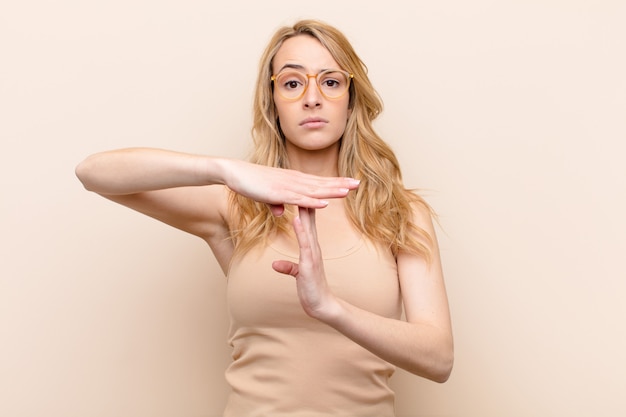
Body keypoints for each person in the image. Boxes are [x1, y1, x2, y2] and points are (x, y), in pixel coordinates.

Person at [76, 19, 453, 416]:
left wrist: (329, 306)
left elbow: (438, 358)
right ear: (272, 100)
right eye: (292, 83)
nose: (312, 98)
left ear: (351, 98)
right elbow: (94, 173)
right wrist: (223, 169)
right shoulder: (236, 205)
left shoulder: (400, 212)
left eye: (330, 81)